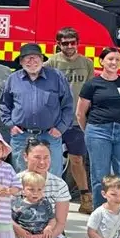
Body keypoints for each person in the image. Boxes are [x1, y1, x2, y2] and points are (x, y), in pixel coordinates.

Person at [6, 140, 88, 238]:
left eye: (46, 157)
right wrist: (24, 234)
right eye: (37, 157)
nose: (42, 162)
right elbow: (5, 216)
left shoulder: (59, 184)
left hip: (50, 236)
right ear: (25, 156)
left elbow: (60, 222)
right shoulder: (14, 182)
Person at [0, 43, 75, 179]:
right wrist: (10, 125)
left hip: (50, 135)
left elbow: (68, 105)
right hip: (22, 136)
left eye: (35, 58)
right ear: (21, 61)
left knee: (53, 178)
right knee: (22, 177)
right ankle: (22, 201)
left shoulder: (56, 77)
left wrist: (61, 128)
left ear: (42, 60)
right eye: (27, 58)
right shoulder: (13, 79)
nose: (32, 62)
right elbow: (4, 104)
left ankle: (50, 201)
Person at [79, 48, 120, 210]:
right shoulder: (92, 85)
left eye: (117, 60)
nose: (114, 62)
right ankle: (101, 215)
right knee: (100, 176)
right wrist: (91, 132)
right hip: (97, 131)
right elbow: (80, 113)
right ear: (102, 61)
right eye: (110, 59)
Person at [47, 27, 95, 213]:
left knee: (77, 160)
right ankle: (49, 197)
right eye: (64, 43)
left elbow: (91, 91)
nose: (69, 46)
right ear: (58, 44)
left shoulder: (87, 63)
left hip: (76, 121)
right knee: (52, 161)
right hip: (56, 121)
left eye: (72, 42)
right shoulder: (52, 63)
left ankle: (86, 199)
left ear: (78, 43)